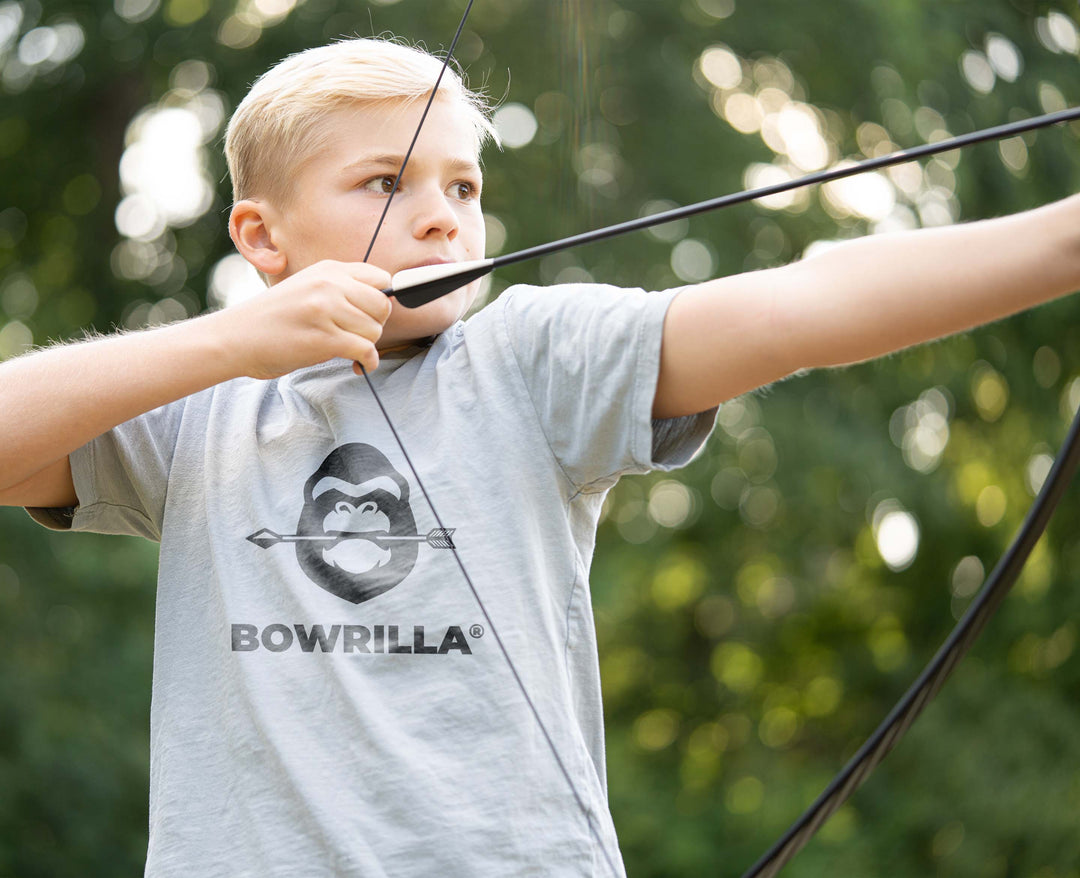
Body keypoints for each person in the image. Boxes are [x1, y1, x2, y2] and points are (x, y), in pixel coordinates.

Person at [0, 35, 1078, 877]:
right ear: (261, 237)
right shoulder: (194, 412)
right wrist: (227, 343)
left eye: (463, 187)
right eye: (385, 183)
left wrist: (1065, 238)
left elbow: (801, 304)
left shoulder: (528, 361)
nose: (441, 220)